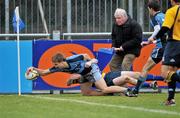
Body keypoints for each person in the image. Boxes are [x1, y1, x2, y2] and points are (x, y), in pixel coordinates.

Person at [30, 52, 130, 96]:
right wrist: (33, 68)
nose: (55, 66)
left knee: (104, 88)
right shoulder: (58, 68)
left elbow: (85, 55)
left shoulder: (73, 59)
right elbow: (43, 73)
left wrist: (90, 62)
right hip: (85, 75)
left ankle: (128, 90)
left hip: (92, 70)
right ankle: (109, 94)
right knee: (86, 93)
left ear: (61, 61)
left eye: (56, 64)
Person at [126, 0, 166, 97]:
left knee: (146, 68)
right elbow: (165, 32)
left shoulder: (155, 17)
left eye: (148, 9)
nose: (148, 11)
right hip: (170, 45)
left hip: (161, 47)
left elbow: (158, 30)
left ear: (151, 9)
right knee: (169, 71)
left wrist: (150, 40)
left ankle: (135, 91)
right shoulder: (164, 16)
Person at [146, 0, 180, 106]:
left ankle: (171, 99)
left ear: (172, 1)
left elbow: (165, 28)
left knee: (165, 73)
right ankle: (171, 99)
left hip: (174, 44)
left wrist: (154, 37)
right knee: (172, 72)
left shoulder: (172, 11)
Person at [67, 71, 158, 96]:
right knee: (126, 78)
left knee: (137, 74)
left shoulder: (85, 66)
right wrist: (104, 93)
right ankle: (149, 85)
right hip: (107, 82)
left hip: (108, 75)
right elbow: (86, 93)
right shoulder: (83, 79)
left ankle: (160, 78)